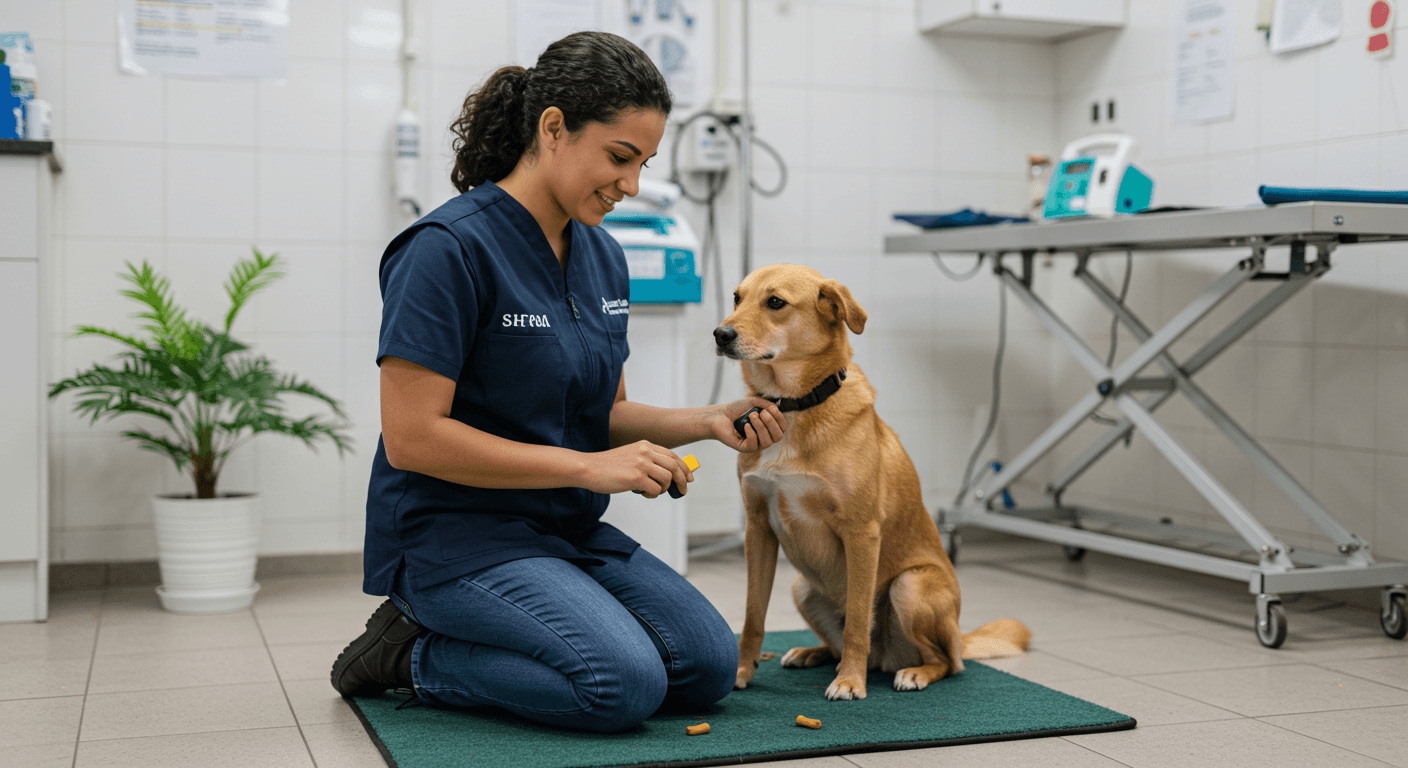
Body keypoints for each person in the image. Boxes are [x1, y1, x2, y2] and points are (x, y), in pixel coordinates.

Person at [330, 31, 787, 734]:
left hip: (561, 531)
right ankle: (410, 656)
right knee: (620, 685)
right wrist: (588, 467)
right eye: (619, 157)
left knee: (705, 665)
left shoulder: (602, 256)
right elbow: (414, 439)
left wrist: (708, 420)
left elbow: (606, 413)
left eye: (645, 163)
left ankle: (524, 622)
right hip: (452, 539)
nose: (632, 186)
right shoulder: (444, 250)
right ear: (552, 129)